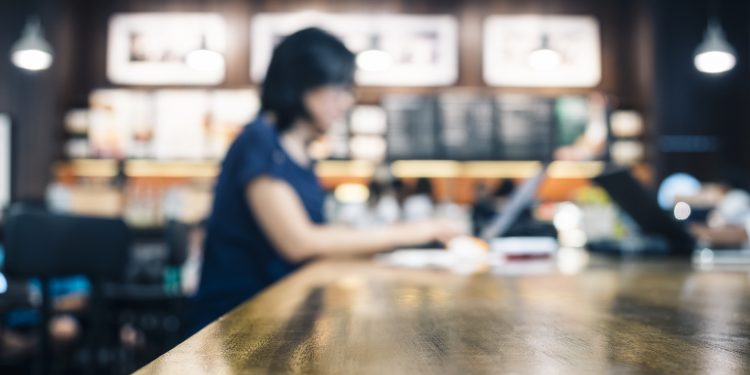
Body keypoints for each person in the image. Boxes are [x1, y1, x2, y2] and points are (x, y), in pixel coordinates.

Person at [187, 28, 462, 334]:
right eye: (339, 88)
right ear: (301, 83)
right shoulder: (259, 142)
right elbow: (299, 242)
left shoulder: (300, 153)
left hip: (277, 317)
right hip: (233, 327)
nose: (346, 102)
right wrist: (415, 231)